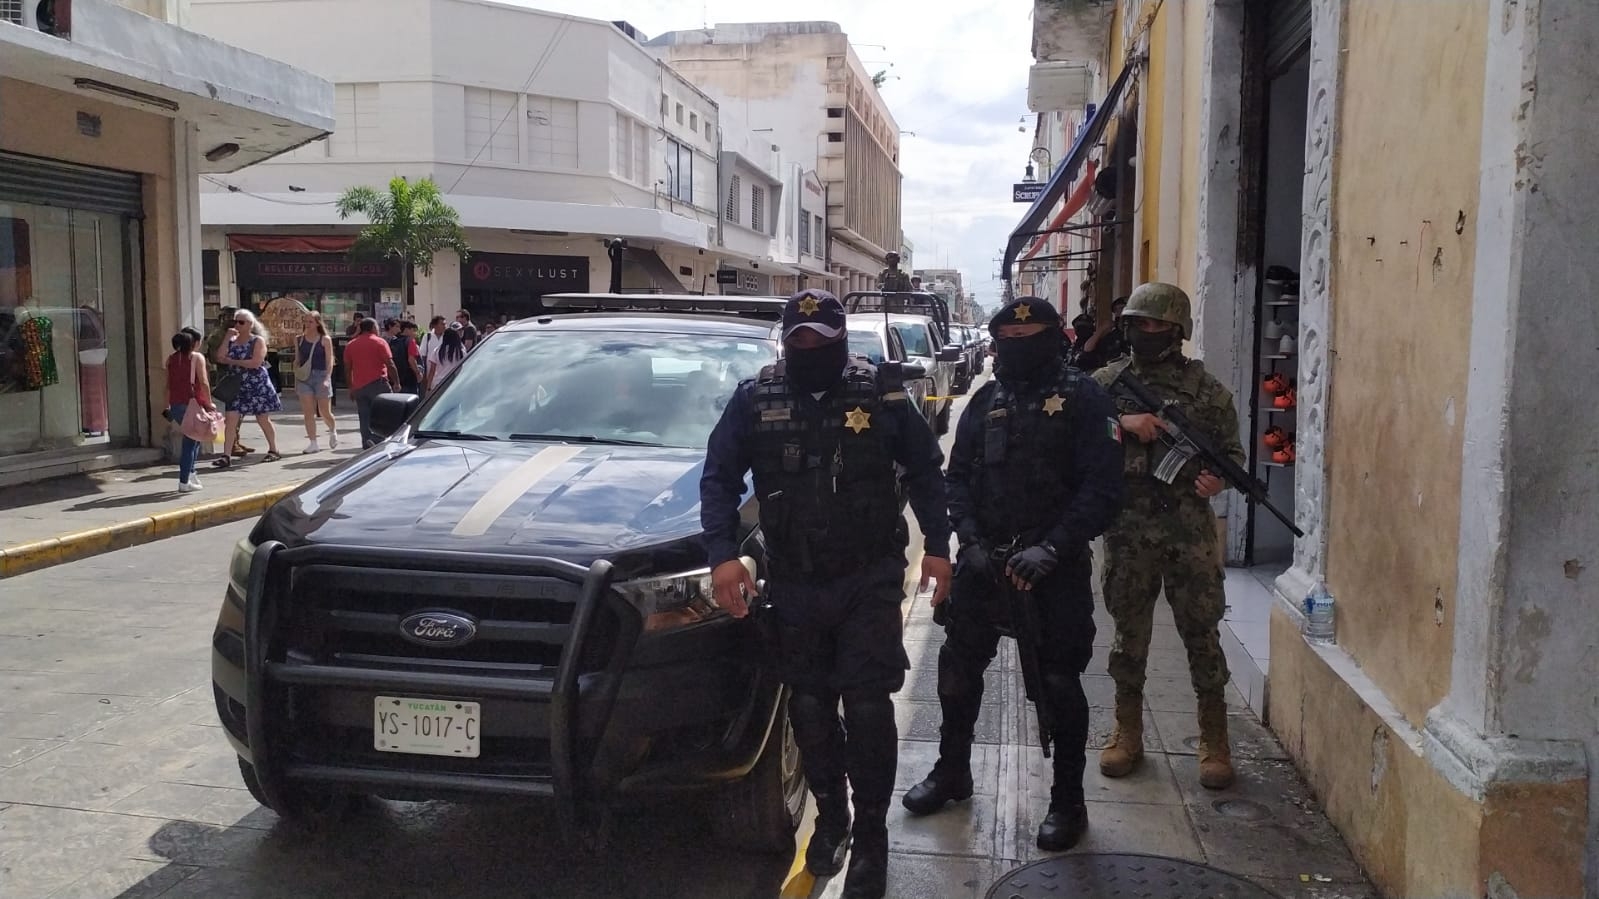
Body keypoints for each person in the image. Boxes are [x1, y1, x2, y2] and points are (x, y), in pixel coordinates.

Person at [700, 290, 954, 899]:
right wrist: (722, 557)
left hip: (866, 579)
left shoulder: (883, 394)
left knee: (866, 709)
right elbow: (718, 476)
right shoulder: (755, 399)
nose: (810, 347)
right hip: (794, 580)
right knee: (810, 709)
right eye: (800, 339)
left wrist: (940, 548)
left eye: (821, 338)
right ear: (787, 342)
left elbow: (924, 470)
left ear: (841, 339)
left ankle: (871, 836)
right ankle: (832, 816)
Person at [901, 296, 1125, 851]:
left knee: (1057, 684)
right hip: (987, 564)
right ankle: (952, 770)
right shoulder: (987, 401)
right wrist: (971, 542)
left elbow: (1104, 488)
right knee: (956, 667)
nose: (1016, 352)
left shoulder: (1085, 399)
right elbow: (957, 478)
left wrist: (1051, 548)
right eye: (1008, 343)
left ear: (1053, 341)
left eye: (1029, 342)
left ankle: (1068, 800)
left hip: (1053, 569)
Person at [1091, 282, 1245, 790]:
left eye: (1159, 325)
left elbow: (1232, 456)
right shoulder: (1106, 384)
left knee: (1201, 632)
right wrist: (1122, 422)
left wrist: (1216, 481)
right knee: (1128, 637)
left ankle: (1214, 740)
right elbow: (1075, 431)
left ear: (1178, 330)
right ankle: (1126, 732)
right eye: (1140, 323)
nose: (1148, 332)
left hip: (1188, 530)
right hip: (1129, 529)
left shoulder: (1207, 392)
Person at [212, 309, 281, 468]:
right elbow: (220, 357)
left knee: (262, 418)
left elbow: (256, 362)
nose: (237, 325)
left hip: (256, 383)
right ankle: (226, 455)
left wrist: (234, 362)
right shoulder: (231, 340)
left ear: (250, 324)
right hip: (237, 385)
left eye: (241, 322)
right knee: (231, 420)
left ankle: (273, 449)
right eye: (235, 321)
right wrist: (227, 338)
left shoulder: (257, 341)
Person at [165, 330, 216, 492]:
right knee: (190, 442)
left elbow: (168, 384)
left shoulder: (171, 359)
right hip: (193, 404)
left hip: (176, 404)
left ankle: (191, 474)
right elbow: (204, 382)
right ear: (195, 343)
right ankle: (184, 480)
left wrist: (168, 405)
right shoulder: (196, 357)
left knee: (194, 439)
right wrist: (209, 403)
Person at [203, 308, 253, 457]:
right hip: (228, 375)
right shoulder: (219, 335)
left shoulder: (235, 333)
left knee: (240, 411)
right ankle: (232, 443)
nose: (234, 321)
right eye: (231, 317)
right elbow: (215, 357)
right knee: (233, 412)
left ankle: (235, 440)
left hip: (240, 373)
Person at [343, 317, 400, 449]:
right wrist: (396, 382)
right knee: (385, 414)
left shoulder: (351, 345)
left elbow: (347, 369)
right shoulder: (379, 342)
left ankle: (366, 442)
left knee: (364, 416)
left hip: (359, 386)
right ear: (373, 328)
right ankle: (380, 440)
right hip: (378, 384)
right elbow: (390, 364)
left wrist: (350, 387)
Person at [294, 312, 337, 453]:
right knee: (308, 412)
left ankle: (332, 429)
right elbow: (297, 360)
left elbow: (329, 360)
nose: (307, 324)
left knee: (324, 411)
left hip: (321, 375)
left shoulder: (325, 339)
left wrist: (327, 378)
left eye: (310, 322)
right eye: (305, 321)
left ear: (318, 323)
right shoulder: (299, 339)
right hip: (304, 378)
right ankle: (313, 443)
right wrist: (297, 379)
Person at [1076, 296, 1130, 372]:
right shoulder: (1112, 337)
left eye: (1122, 308)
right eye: (1116, 310)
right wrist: (1101, 329)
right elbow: (1087, 349)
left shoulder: (1137, 334)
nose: (1119, 313)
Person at [423, 325, 466, 394]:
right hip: (455, 383)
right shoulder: (460, 351)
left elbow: (432, 371)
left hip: (438, 383)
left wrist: (428, 388)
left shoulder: (437, 350)